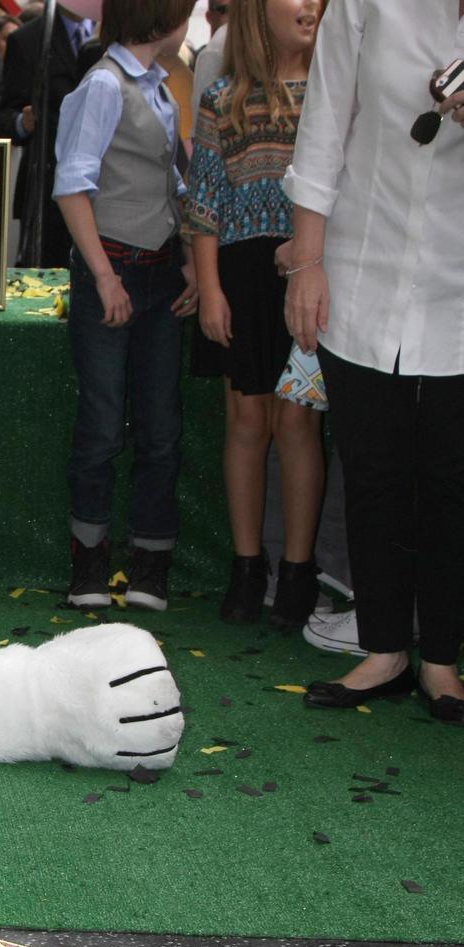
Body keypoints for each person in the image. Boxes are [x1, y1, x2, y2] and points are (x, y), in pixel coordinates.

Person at [285, 0, 464, 720]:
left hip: (457, 289)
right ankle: (385, 650)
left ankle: (443, 661)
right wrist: (306, 263)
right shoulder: (365, 4)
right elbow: (323, 130)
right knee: (373, 468)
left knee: (452, 478)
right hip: (361, 268)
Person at [53, 0, 199, 612]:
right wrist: (105, 277)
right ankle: (89, 563)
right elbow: (72, 184)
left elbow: (172, 182)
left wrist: (190, 257)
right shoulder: (103, 86)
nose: (190, 23)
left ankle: (150, 564)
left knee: (161, 429)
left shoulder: (161, 86)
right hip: (112, 273)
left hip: (162, 274)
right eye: (186, 11)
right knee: (103, 427)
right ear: (164, 18)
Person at [184, 0, 323, 628]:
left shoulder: (332, 92)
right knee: (246, 419)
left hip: (307, 272)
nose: (312, 5)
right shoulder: (221, 97)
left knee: (297, 422)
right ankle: (247, 565)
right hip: (240, 274)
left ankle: (298, 571)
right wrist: (210, 290)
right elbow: (203, 203)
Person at [0, 4, 98, 267]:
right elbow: (4, 116)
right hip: (47, 192)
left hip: (104, 191)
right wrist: (23, 122)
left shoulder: (115, 36)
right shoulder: (28, 40)